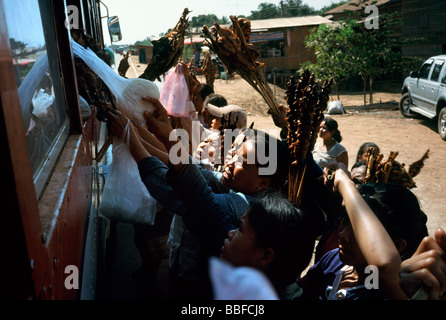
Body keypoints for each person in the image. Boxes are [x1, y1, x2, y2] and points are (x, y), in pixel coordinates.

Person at [105, 98, 295, 299]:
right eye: (235, 154)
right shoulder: (238, 185)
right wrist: (148, 132)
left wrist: (131, 138)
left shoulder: (243, 206)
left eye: (242, 162)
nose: (230, 161)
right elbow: (192, 171)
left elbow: (184, 195)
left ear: (263, 183)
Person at [299, 164, 429, 300]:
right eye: (346, 219)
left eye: (358, 231)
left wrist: (345, 184)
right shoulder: (334, 260)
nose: (342, 235)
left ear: (396, 246)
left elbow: (383, 266)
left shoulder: (385, 293)